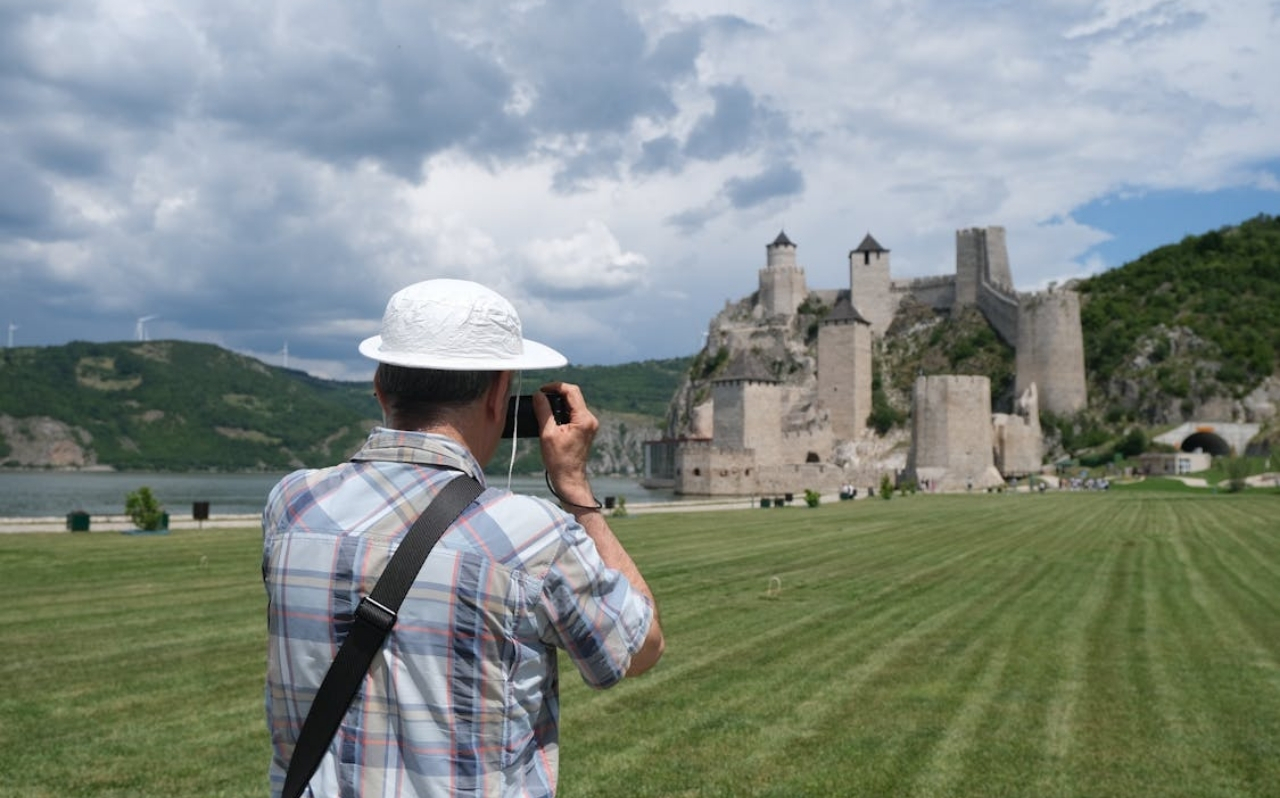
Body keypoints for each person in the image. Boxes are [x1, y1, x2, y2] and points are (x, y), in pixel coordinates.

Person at [262, 279, 664, 797]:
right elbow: (641, 647)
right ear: (500, 393)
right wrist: (574, 487)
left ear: (380, 388)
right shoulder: (531, 537)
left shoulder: (291, 505)